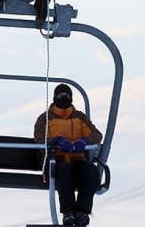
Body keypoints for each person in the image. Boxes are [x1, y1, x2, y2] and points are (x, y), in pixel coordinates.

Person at [34, 83, 102, 226]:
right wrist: (56, 142)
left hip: (76, 159)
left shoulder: (79, 117)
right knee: (64, 169)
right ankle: (68, 210)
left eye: (66, 96)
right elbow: (39, 139)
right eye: (60, 96)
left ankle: (82, 211)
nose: (63, 98)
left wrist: (85, 141)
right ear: (54, 98)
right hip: (55, 160)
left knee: (90, 170)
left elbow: (96, 135)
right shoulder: (45, 118)